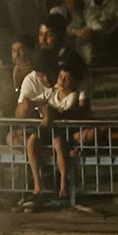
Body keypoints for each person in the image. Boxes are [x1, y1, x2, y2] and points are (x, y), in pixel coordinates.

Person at [17, 53, 89, 200]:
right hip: (46, 127)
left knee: (59, 144)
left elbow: (67, 109)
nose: (62, 81)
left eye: (66, 79)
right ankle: (37, 182)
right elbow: (39, 100)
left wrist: (51, 113)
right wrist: (29, 103)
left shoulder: (73, 95)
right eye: (61, 78)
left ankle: (63, 181)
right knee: (31, 142)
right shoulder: (52, 92)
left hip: (59, 129)